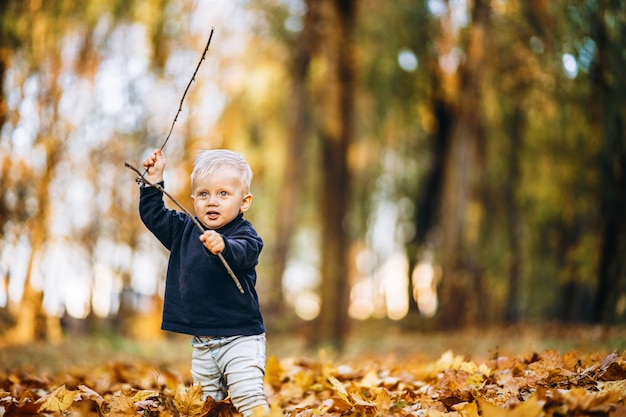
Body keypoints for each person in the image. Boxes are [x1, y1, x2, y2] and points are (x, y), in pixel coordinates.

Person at [139, 148, 268, 416]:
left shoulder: (244, 234)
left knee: (247, 395)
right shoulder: (184, 230)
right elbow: (154, 216)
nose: (212, 201)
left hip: (241, 337)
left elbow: (245, 252)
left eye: (223, 194)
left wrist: (223, 246)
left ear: (244, 202)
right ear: (194, 198)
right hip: (203, 342)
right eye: (204, 194)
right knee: (206, 405)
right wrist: (154, 180)